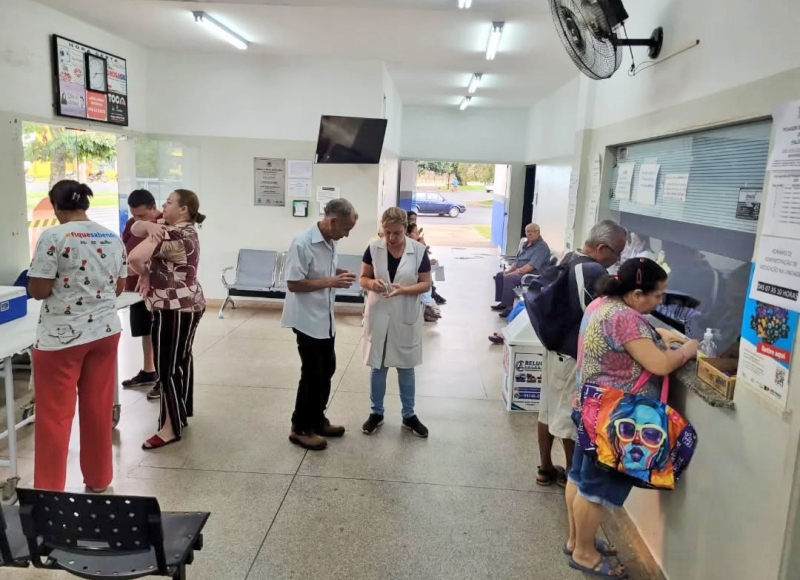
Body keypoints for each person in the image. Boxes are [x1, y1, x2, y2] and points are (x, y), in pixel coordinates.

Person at [565, 258, 698, 578]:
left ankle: (576, 540)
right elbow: (660, 365)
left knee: (578, 478)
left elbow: (629, 338)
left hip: (590, 407)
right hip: (612, 422)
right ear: (637, 294)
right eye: (658, 295)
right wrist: (688, 350)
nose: (660, 301)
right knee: (594, 491)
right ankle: (584, 553)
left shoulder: (602, 303)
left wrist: (658, 333)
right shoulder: (625, 318)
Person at [27, 180, 127, 492]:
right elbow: (119, 287)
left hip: (61, 339)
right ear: (85, 204)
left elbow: (39, 290)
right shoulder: (111, 237)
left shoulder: (54, 236)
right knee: (98, 408)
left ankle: (49, 491)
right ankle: (99, 480)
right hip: (105, 332)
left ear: (56, 206)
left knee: (55, 417)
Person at [536, 220, 628, 486]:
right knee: (569, 416)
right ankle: (571, 475)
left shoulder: (569, 257)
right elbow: (602, 315)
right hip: (572, 354)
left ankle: (545, 468)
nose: (618, 259)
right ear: (602, 248)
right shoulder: (593, 270)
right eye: (617, 252)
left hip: (554, 347)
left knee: (547, 411)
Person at [128, 189, 206, 450]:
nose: (164, 205)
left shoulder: (173, 234)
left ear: (183, 209)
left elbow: (134, 258)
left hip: (173, 308)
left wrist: (144, 272)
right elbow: (135, 226)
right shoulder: (177, 228)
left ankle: (169, 428)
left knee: (167, 368)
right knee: (181, 359)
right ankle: (181, 412)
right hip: (188, 304)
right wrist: (149, 225)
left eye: (169, 202)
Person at [281, 199, 359, 451]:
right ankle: (299, 428)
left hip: (325, 319)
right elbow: (294, 283)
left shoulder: (330, 241)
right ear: (333, 221)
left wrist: (337, 273)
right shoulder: (302, 243)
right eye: (346, 228)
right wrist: (330, 281)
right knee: (312, 374)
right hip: (307, 320)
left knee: (327, 369)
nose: (346, 235)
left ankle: (317, 419)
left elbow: (321, 272)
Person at [360, 208, 433, 437]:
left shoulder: (418, 251)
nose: (391, 238)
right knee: (378, 366)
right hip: (379, 312)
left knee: (406, 366)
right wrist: (371, 284)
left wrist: (405, 290)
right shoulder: (374, 248)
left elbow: (426, 283)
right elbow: (363, 277)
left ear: (405, 229)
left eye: (397, 233)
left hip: (405, 314)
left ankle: (409, 415)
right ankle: (376, 413)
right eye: (387, 232)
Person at [120, 189, 161, 398]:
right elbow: (126, 249)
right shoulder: (132, 224)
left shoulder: (163, 225)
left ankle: (163, 378)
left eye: (142, 215)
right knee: (145, 330)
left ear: (154, 208)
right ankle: (148, 370)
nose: (137, 219)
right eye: (134, 215)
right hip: (135, 288)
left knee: (160, 332)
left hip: (157, 287)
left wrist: (144, 271)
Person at [492, 223, 550, 317]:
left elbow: (530, 266)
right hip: (521, 271)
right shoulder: (526, 244)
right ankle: (503, 303)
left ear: (538, 232)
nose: (530, 233)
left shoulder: (542, 247)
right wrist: (508, 271)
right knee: (500, 275)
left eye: (532, 231)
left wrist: (514, 272)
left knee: (509, 278)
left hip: (532, 275)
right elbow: (517, 261)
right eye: (528, 231)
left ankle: (509, 308)